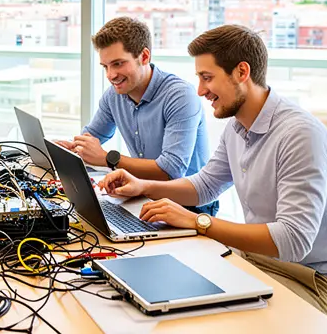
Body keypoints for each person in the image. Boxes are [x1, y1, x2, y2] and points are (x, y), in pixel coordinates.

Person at [98, 24, 327, 320]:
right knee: (162, 293)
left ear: (241, 73)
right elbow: (207, 185)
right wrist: (143, 186)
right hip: (261, 261)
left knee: (210, 319)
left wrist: (198, 221)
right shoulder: (238, 125)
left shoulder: (299, 135)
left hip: (316, 282)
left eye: (207, 78)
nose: (200, 90)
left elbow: (293, 240)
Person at [57, 16, 216, 215]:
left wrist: (108, 159)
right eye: (105, 66)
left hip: (189, 205)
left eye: (118, 64)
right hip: (143, 195)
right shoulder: (114, 96)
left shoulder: (180, 95)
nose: (110, 75)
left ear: (144, 57)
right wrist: (68, 148)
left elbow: (171, 171)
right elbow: (90, 138)